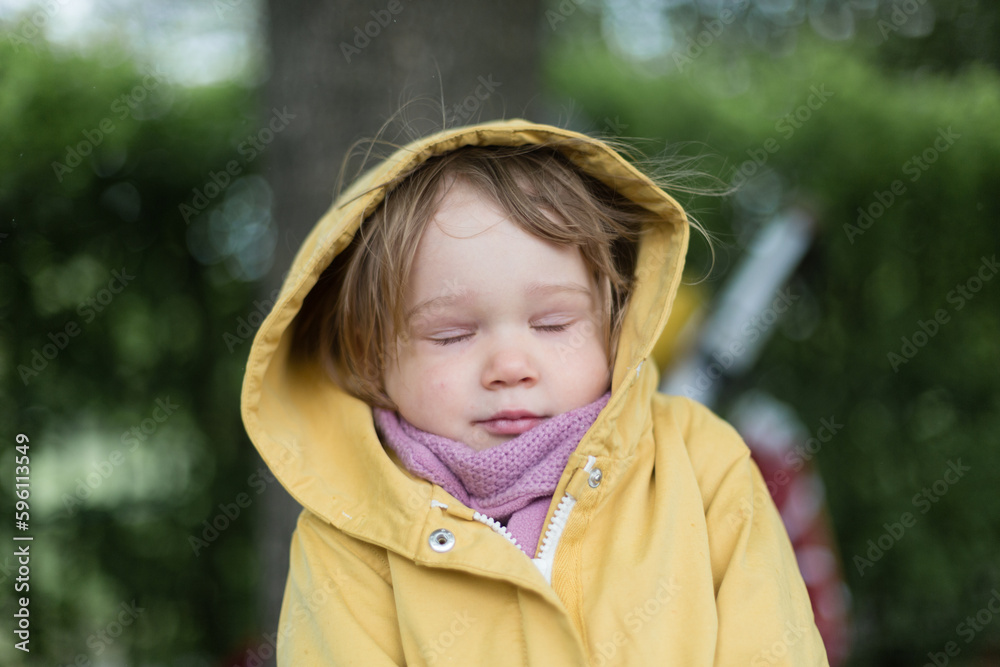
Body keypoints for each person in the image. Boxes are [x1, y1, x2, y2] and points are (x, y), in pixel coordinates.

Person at [240, 118, 829, 665]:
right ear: (372, 354)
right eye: (451, 335)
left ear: (614, 319)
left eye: (552, 325)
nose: (511, 365)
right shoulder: (348, 540)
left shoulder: (703, 467)